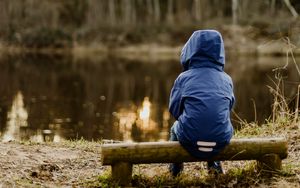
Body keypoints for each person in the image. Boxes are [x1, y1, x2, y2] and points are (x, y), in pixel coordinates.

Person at [168, 30, 235, 176]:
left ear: (190, 50)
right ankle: (215, 168)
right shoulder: (226, 79)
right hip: (220, 139)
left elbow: (174, 110)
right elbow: (228, 107)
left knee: (175, 127)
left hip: (189, 138)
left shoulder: (183, 78)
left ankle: (175, 170)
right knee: (216, 124)